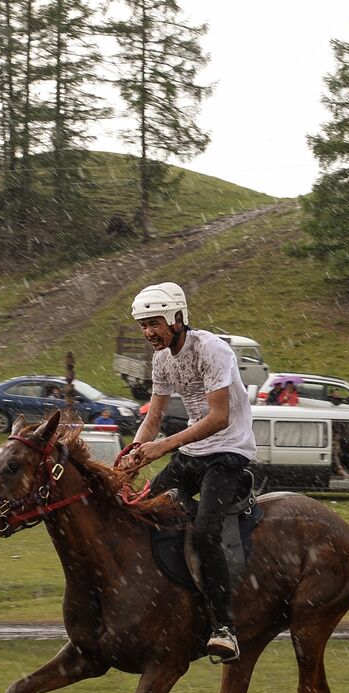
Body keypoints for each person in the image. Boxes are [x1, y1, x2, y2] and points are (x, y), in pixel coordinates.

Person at [119, 282, 256, 663]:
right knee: (139, 510)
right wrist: (131, 456)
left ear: (178, 318)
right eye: (143, 325)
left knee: (207, 531)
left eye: (155, 323)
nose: (148, 332)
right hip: (192, 452)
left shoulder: (212, 350)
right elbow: (154, 417)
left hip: (227, 452)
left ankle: (224, 628)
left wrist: (162, 447)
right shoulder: (162, 360)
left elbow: (219, 417)